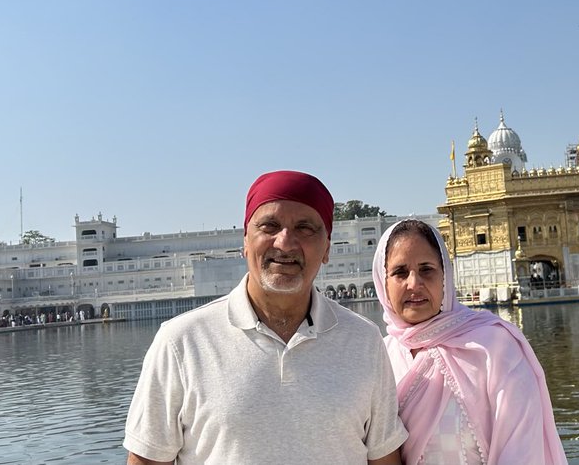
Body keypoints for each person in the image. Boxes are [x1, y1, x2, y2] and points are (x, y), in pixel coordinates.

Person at [124, 170, 407, 465]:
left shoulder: (363, 341)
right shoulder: (181, 343)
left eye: (305, 228)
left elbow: (384, 458)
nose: (285, 243)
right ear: (245, 241)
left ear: (326, 249)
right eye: (270, 225)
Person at [371, 219, 568, 465]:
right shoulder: (380, 356)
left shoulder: (494, 348)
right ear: (383, 282)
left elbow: (522, 450)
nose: (414, 283)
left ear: (445, 276)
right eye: (400, 272)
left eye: (426, 269)